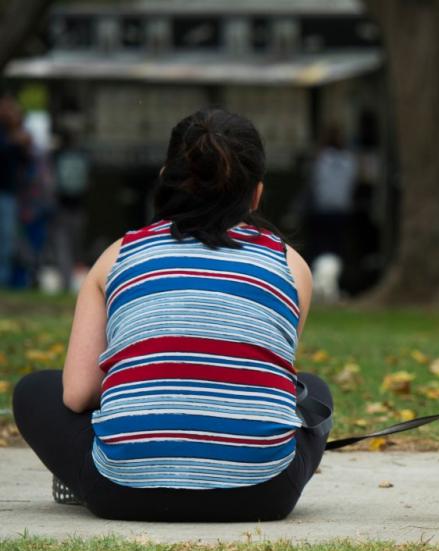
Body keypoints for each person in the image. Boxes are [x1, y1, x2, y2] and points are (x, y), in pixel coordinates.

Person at [12, 108, 329, 522]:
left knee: (35, 389)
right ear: (256, 193)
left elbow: (77, 394)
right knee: (314, 389)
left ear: (165, 176)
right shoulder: (290, 265)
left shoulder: (118, 256)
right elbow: (272, 373)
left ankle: (104, 465)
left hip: (121, 493)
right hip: (263, 494)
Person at [309, 124, 357, 262]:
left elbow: (314, 183)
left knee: (320, 248)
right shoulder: (349, 160)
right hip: (341, 210)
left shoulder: (320, 159)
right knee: (336, 248)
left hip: (323, 210)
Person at [52, 129, 91, 291]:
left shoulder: (57, 156)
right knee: (73, 245)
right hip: (73, 206)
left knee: (66, 245)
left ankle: (67, 282)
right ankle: (68, 283)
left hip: (64, 206)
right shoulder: (81, 156)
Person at [0, 95, 31, 287]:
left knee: (8, 239)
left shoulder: (16, 134)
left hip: (9, 193)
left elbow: (23, 163)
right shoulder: (7, 137)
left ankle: (3, 280)